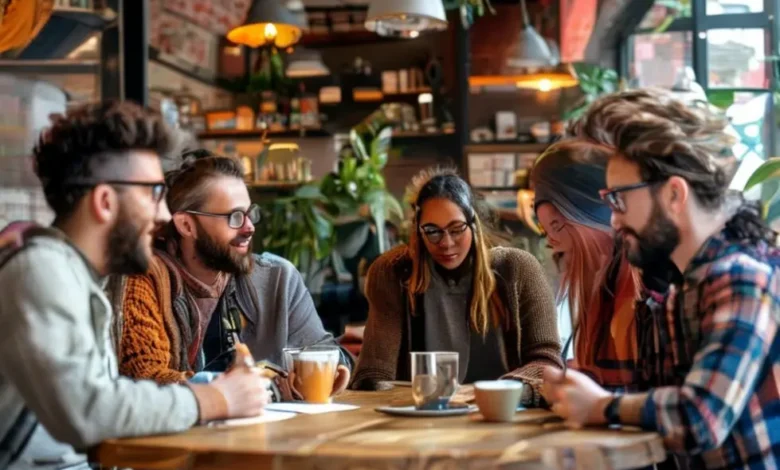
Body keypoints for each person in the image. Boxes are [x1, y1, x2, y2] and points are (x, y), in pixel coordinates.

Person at [0, 102, 270, 470]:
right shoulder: (39, 269)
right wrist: (214, 399)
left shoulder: (77, 276)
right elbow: (87, 410)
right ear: (106, 201)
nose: (162, 215)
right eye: (153, 193)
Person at [543, 88, 779, 470]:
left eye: (618, 199)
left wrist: (602, 405)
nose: (614, 219)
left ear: (673, 195)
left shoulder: (743, 276)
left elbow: (700, 416)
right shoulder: (677, 286)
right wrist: (572, 393)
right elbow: (654, 399)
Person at [109, 149, 351, 400]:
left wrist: (335, 370)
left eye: (249, 213)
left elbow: (327, 352)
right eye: (234, 216)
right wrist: (266, 386)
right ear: (186, 225)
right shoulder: (143, 279)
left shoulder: (277, 279)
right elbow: (145, 381)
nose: (249, 227)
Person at [351, 168, 563, 406]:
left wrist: (492, 395)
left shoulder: (518, 269)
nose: (446, 243)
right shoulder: (392, 272)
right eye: (432, 232)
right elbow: (374, 373)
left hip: (502, 413)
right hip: (421, 417)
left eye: (456, 229)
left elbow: (547, 363)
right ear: (418, 231)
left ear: (474, 224)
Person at [532, 140, 639, 391]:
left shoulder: (635, 284)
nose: (551, 240)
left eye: (556, 227)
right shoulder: (606, 278)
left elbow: (634, 390)